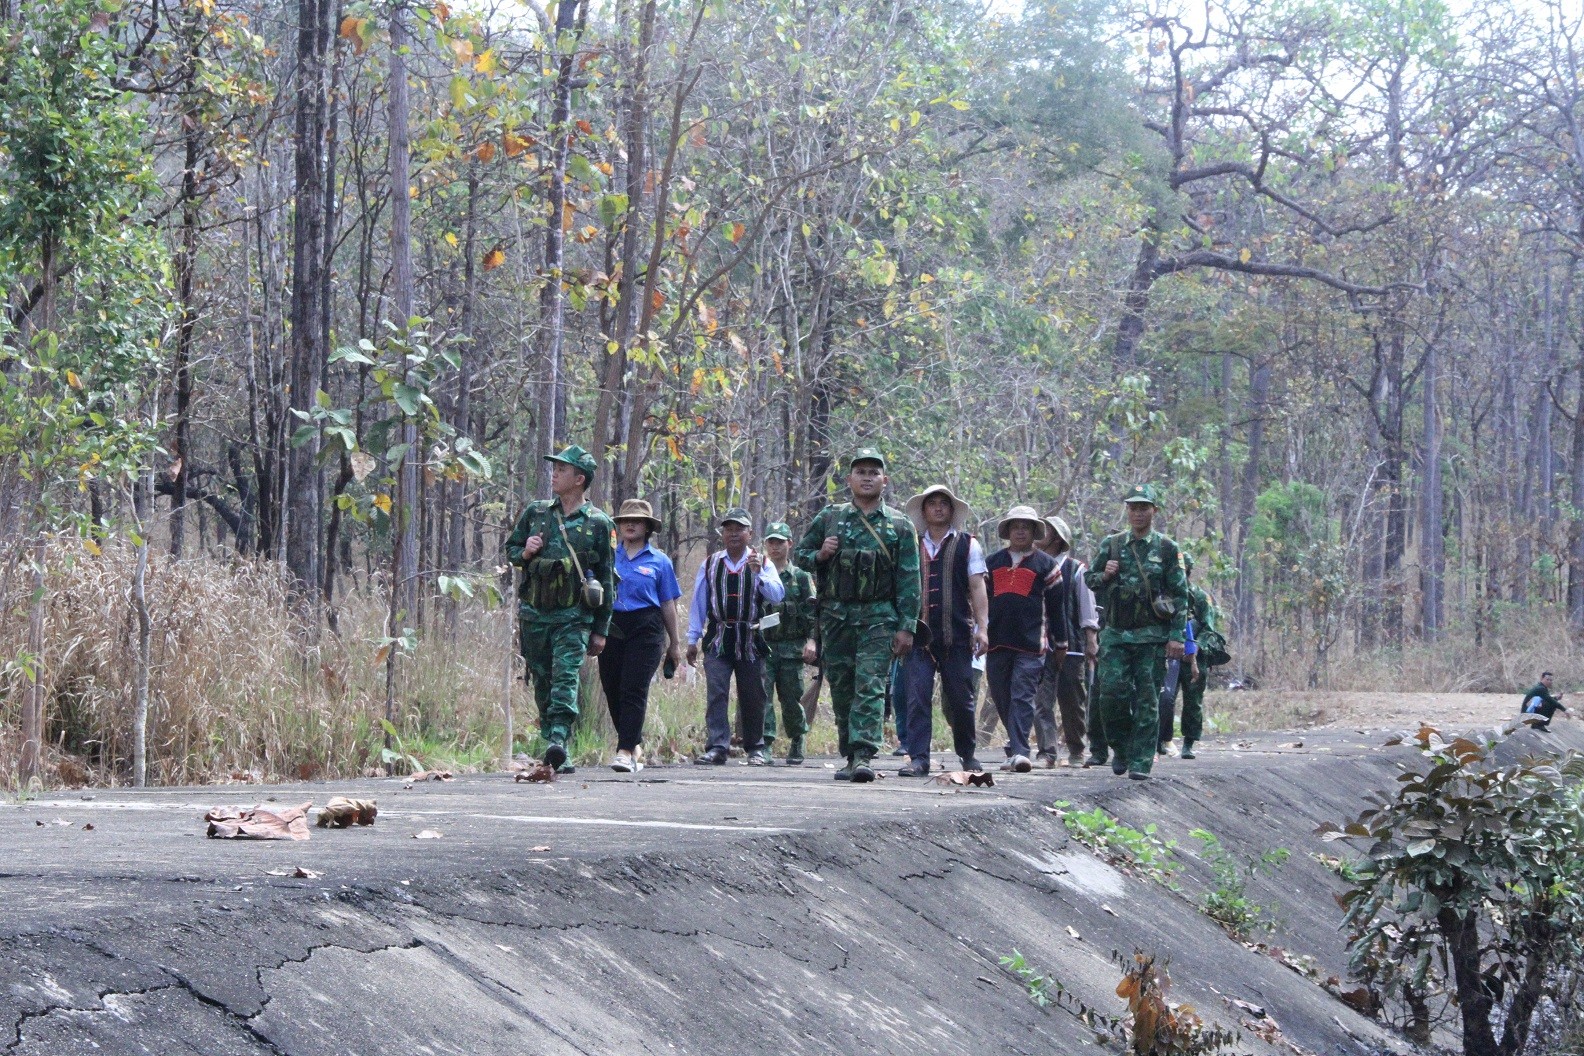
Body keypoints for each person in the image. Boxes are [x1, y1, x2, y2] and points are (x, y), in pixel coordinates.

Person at [796, 449, 921, 783]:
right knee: (842, 686)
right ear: (849, 479)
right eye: (860, 472)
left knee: (871, 684)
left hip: (879, 617)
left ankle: (864, 753)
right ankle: (849, 755)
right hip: (836, 617)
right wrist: (821, 554)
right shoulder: (830, 518)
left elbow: (910, 578)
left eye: (873, 472)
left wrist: (907, 627)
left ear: (884, 480)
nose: (867, 477)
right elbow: (799, 556)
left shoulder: (899, 524)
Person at [504, 445, 617, 774]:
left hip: (574, 619)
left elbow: (608, 579)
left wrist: (601, 630)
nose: (554, 474)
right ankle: (556, 750)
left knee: (566, 678)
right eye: (554, 468)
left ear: (579, 479)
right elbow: (511, 551)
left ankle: (558, 738)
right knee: (542, 680)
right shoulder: (536, 513)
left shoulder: (598, 523)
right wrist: (525, 552)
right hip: (535, 617)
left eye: (562, 470)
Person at [1085, 484, 1188, 781]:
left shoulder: (1167, 548)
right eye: (1133, 507)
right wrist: (1105, 575)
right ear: (1127, 510)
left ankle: (1141, 760)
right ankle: (1121, 746)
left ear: (1154, 511)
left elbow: (1179, 594)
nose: (1138, 512)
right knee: (1110, 695)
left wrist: (1177, 636)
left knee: (1147, 698)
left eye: (1144, 507)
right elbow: (1090, 580)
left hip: (1152, 636)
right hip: (1116, 634)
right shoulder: (1112, 545)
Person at [899, 484, 989, 777]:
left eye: (944, 504)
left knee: (961, 700)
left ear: (951, 510)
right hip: (918, 636)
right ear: (923, 511)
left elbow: (977, 586)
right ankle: (919, 759)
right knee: (917, 697)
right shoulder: (910, 545)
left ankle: (968, 755)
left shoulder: (968, 544)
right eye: (932, 503)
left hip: (958, 636)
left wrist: (983, 627)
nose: (938, 508)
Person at [687, 508, 784, 766]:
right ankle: (718, 747)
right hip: (718, 637)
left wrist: (759, 575)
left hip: (750, 638)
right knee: (716, 692)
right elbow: (698, 602)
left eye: (739, 528)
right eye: (728, 528)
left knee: (753, 694)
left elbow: (777, 595)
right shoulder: (710, 563)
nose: (733, 533)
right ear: (722, 533)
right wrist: (692, 638)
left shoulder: (762, 562)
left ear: (749, 533)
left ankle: (755, 748)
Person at [598, 499, 683, 773]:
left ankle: (624, 751)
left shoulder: (660, 561)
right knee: (612, 686)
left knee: (632, 687)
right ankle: (633, 744)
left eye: (636, 521)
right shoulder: (608, 556)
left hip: (646, 626)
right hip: (612, 624)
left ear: (647, 527)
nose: (630, 525)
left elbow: (668, 603)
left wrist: (675, 644)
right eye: (625, 520)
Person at [984, 505, 1067, 773]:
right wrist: (978, 631)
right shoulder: (992, 563)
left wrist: (1062, 643)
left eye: (1026, 526)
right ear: (1008, 530)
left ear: (1034, 531)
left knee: (1022, 695)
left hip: (1032, 646)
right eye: (1016, 525)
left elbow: (1057, 609)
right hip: (996, 643)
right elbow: (979, 600)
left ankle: (1020, 751)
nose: (1020, 530)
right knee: (1001, 696)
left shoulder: (1047, 565)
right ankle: (1016, 746)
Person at [1033, 515, 1099, 768]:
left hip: (1071, 645)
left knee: (1072, 701)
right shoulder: (1035, 566)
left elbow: (1087, 608)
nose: (1040, 534)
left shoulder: (1076, 570)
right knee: (1042, 701)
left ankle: (1076, 748)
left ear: (1058, 537)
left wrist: (1090, 640)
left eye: (1046, 530)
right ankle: (1047, 752)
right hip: (1040, 644)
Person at [759, 521, 818, 765]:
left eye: (780, 542)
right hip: (764, 645)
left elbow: (814, 612)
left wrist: (813, 641)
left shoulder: (801, 578)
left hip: (792, 648)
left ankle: (797, 738)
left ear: (789, 544)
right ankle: (765, 744)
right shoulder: (759, 574)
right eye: (771, 542)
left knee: (791, 699)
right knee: (763, 697)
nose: (775, 547)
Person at [1159, 552, 1216, 759]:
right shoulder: (1164, 597)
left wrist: (1195, 648)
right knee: (1164, 699)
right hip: (1169, 656)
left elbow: (1209, 629)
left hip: (1194, 658)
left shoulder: (1200, 597)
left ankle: (1189, 743)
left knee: (1193, 702)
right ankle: (1161, 740)